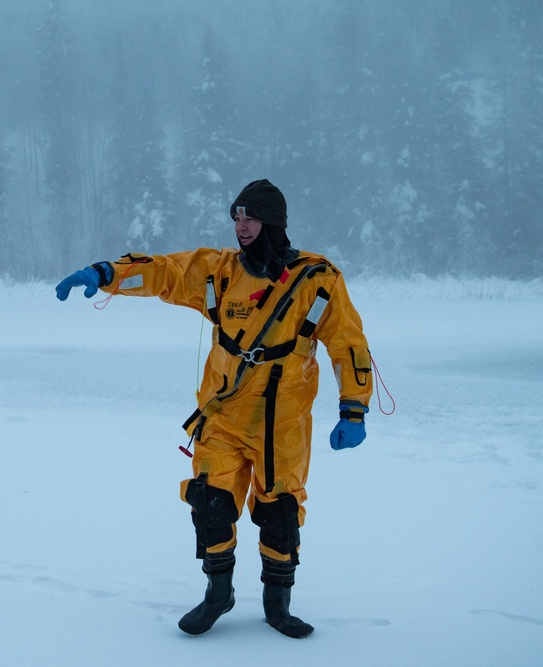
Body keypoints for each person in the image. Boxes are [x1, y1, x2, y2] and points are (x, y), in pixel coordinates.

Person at [55, 179, 372, 639]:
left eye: (250, 217)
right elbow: (164, 271)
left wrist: (354, 408)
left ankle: (276, 605)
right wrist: (107, 273)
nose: (241, 227)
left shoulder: (317, 278)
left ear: (273, 221)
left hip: (280, 427)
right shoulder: (219, 271)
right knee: (210, 503)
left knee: (279, 512)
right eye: (236, 217)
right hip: (221, 418)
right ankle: (218, 594)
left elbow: (349, 343)